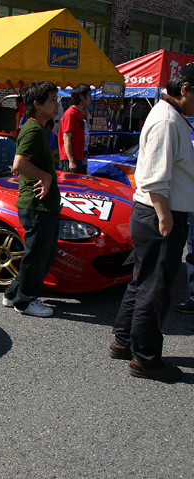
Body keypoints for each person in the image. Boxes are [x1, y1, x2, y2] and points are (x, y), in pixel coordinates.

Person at [110, 62, 194, 382]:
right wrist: (165, 217)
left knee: (143, 281)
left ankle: (124, 341)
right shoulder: (166, 119)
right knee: (155, 288)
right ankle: (145, 358)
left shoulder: (170, 115)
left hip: (156, 212)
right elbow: (155, 178)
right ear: (184, 89)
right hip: (160, 213)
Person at [2, 80, 60, 318]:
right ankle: (25, 301)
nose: (57, 105)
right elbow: (19, 164)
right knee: (37, 255)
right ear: (37, 103)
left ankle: (13, 293)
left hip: (40, 204)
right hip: (37, 205)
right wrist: (46, 176)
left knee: (38, 253)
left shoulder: (36, 129)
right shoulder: (34, 130)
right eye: (53, 100)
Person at [58, 83, 90, 173]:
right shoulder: (71, 114)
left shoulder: (79, 114)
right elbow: (66, 138)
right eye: (89, 95)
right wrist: (71, 161)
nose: (90, 98)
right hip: (69, 159)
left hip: (78, 158)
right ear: (82, 97)